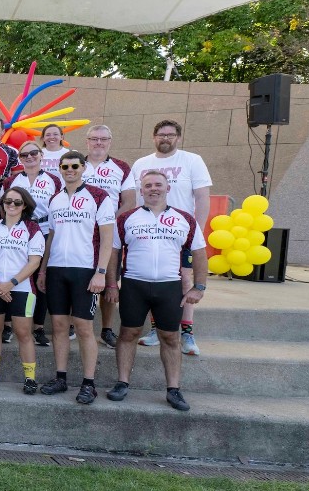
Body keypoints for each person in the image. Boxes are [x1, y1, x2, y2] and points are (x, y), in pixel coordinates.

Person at [105, 170, 208, 411]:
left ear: (168, 188)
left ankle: (173, 389)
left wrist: (199, 286)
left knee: (171, 337)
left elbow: (200, 253)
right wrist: (112, 283)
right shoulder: (127, 218)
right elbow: (113, 252)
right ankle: (122, 383)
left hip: (169, 287)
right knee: (128, 334)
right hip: (134, 285)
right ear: (141, 191)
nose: (153, 188)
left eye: (158, 185)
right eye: (148, 185)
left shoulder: (185, 219)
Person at [121, 120, 212, 356]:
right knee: (152, 279)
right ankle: (155, 329)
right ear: (154, 137)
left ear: (178, 138)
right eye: (161, 134)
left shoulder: (192, 160)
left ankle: (187, 332)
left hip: (178, 233)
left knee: (184, 279)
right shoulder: (142, 163)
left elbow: (202, 197)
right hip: (147, 232)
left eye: (171, 135)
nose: (166, 138)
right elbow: (133, 197)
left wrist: (196, 233)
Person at [38, 151, 116, 405]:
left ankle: (88, 383)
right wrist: (43, 269)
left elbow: (107, 238)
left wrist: (101, 272)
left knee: (83, 328)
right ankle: (61, 377)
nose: (69, 170)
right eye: (64, 166)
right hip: (57, 269)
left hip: (86, 270)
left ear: (83, 168)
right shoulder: (55, 198)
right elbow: (50, 236)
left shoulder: (98, 196)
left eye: (74, 166)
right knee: (59, 327)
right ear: (59, 169)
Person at [0, 187, 44, 393]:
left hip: (22, 288)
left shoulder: (32, 229)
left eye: (17, 202)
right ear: (2, 204)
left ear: (24, 205)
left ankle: (30, 378)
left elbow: (34, 262)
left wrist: (11, 283)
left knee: (23, 333)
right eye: (8, 202)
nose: (12, 206)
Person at [3, 141, 62, 347]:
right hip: (18, 230)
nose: (29, 157)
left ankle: (38, 327)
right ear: (19, 158)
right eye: (24, 154)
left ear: (41, 155)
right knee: (14, 273)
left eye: (33, 153)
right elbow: (5, 205)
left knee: (40, 278)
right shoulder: (11, 179)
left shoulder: (54, 179)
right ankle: (8, 325)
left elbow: (57, 206)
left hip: (43, 230)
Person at [81, 125, 133, 349]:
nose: (98, 143)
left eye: (103, 139)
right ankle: (77, 324)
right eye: (94, 139)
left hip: (108, 232)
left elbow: (130, 202)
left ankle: (107, 329)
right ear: (87, 141)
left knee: (109, 280)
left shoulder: (120, 167)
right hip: (79, 230)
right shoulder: (75, 163)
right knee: (80, 277)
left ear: (110, 141)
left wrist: (108, 221)